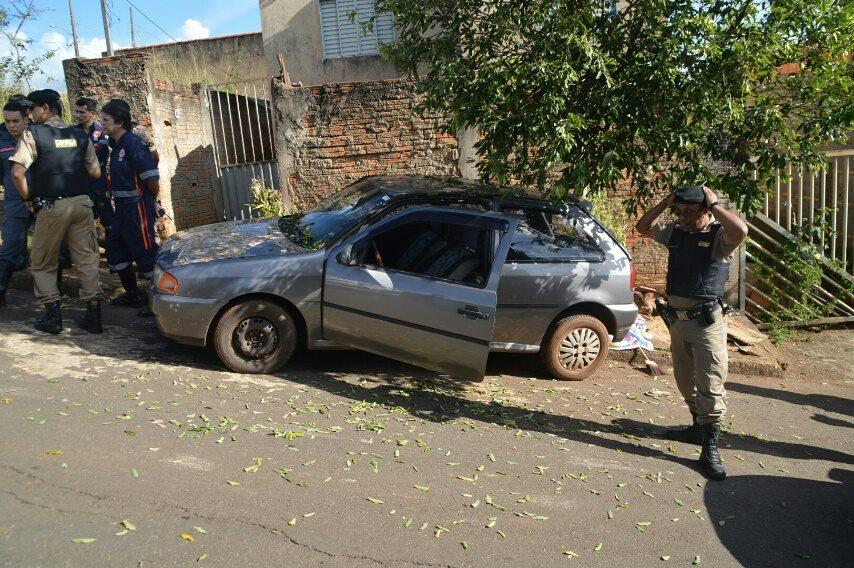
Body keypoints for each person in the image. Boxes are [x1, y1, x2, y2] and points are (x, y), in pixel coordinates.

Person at [634, 185, 748, 481]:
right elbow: (643, 227)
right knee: (685, 381)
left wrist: (716, 201)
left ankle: (710, 447)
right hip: (678, 322)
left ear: (706, 210)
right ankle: (698, 427)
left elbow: (741, 230)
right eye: (680, 212)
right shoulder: (676, 232)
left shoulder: (719, 237)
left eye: (690, 212)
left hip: (707, 325)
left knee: (710, 385)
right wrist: (665, 201)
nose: (683, 218)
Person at [9, 89, 103, 334]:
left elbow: (17, 173)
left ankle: (53, 317)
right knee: (87, 259)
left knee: (42, 262)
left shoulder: (34, 134)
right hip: (82, 204)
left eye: (33, 110)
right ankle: (94, 315)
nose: (29, 115)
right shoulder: (79, 134)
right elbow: (95, 172)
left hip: (52, 206)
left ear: (46, 108)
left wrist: (27, 196)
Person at [100, 99, 160, 311]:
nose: (102, 123)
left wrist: (150, 203)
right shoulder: (116, 146)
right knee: (115, 247)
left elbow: (152, 181)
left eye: (106, 119)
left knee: (146, 254)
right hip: (122, 211)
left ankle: (158, 305)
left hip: (137, 209)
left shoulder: (133, 145)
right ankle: (132, 295)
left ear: (119, 123)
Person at [0, 97, 32, 306]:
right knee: (10, 245)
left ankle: (51, 304)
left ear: (26, 119)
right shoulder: (1, 139)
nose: (11, 125)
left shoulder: (38, 136)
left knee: (54, 250)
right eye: (7, 121)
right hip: (15, 202)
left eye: (15, 121)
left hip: (42, 200)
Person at [74, 97, 114, 231]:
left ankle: (115, 249)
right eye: (76, 112)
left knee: (108, 219)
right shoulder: (72, 133)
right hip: (81, 182)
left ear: (92, 113)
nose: (78, 115)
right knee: (84, 221)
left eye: (82, 112)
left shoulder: (102, 131)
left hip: (100, 180)